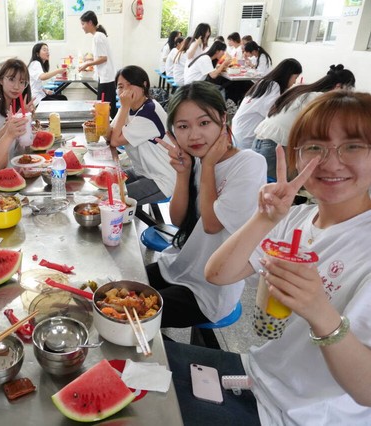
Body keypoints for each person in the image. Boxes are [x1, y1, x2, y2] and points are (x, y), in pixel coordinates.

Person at [199, 90, 371, 425]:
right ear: (296, 156)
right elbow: (217, 274)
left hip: (300, 416)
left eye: (352, 146)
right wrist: (265, 218)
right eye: (315, 147)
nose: (330, 162)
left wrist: (320, 312)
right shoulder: (296, 219)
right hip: (256, 377)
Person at [146, 81, 266, 327]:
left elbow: (212, 225)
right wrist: (183, 173)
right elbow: (178, 220)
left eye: (204, 123)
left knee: (129, 315)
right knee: (114, 289)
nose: (194, 135)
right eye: (183, 126)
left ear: (223, 119)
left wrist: (208, 166)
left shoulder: (249, 163)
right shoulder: (197, 159)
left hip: (209, 291)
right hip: (179, 266)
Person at [253, 64, 355, 178]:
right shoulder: (319, 98)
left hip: (260, 140)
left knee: (267, 183)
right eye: (347, 91)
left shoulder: (302, 90)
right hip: (274, 147)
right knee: (284, 185)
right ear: (338, 86)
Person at [108, 66, 175, 206]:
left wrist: (124, 106)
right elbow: (110, 134)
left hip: (161, 179)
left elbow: (114, 141)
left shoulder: (149, 111)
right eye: (120, 86)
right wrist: (101, 118)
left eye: (130, 84)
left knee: (111, 200)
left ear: (144, 85)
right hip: (143, 170)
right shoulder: (130, 107)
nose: (125, 90)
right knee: (107, 185)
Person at [233, 59, 302, 150]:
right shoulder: (273, 86)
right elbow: (272, 113)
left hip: (240, 129)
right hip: (246, 133)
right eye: (295, 78)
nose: (294, 82)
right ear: (288, 75)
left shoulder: (265, 82)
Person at [78, 10, 118, 119]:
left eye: (83, 24)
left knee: (105, 109)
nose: (82, 27)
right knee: (104, 107)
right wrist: (89, 59)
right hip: (106, 77)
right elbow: (100, 56)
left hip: (106, 78)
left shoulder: (98, 36)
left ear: (90, 23)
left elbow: (103, 58)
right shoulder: (98, 35)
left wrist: (87, 64)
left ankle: (108, 128)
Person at [0, 59, 33, 140]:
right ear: (1, 80)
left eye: (22, 82)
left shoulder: (20, 108)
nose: (16, 87)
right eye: (11, 79)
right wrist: (7, 127)